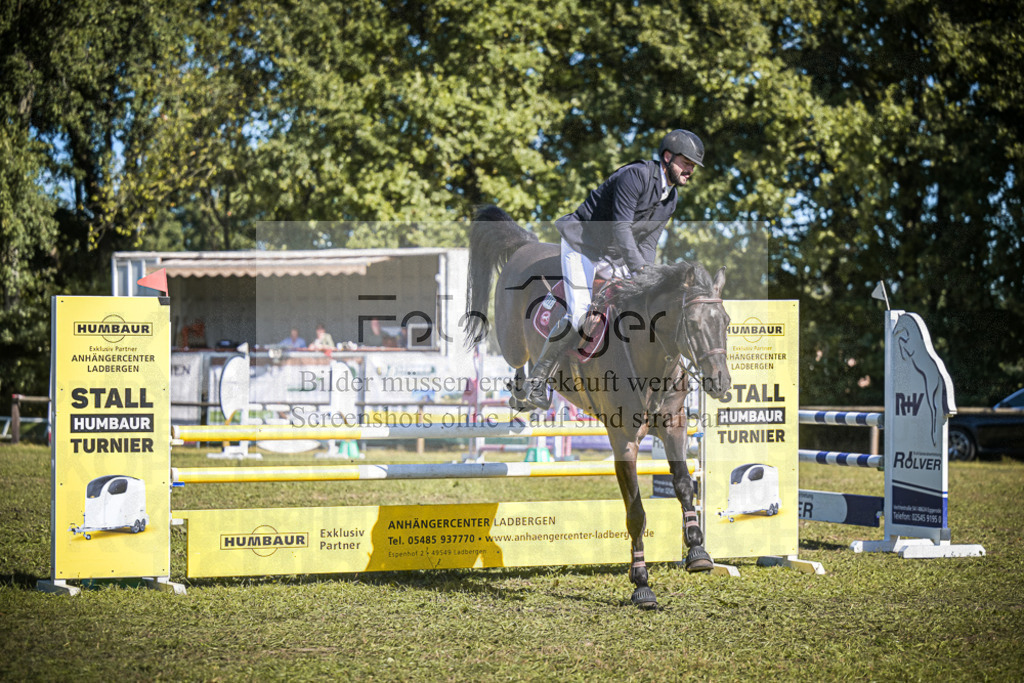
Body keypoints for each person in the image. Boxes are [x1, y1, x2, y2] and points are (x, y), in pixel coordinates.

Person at [519, 128, 705, 409]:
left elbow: (648, 243)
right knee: (580, 315)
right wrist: (639, 270)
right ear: (667, 157)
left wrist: (648, 279)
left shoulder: (671, 199)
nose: (689, 170)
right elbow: (620, 228)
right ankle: (536, 381)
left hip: (614, 257)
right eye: (686, 163)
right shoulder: (636, 176)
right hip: (582, 246)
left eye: (692, 166)